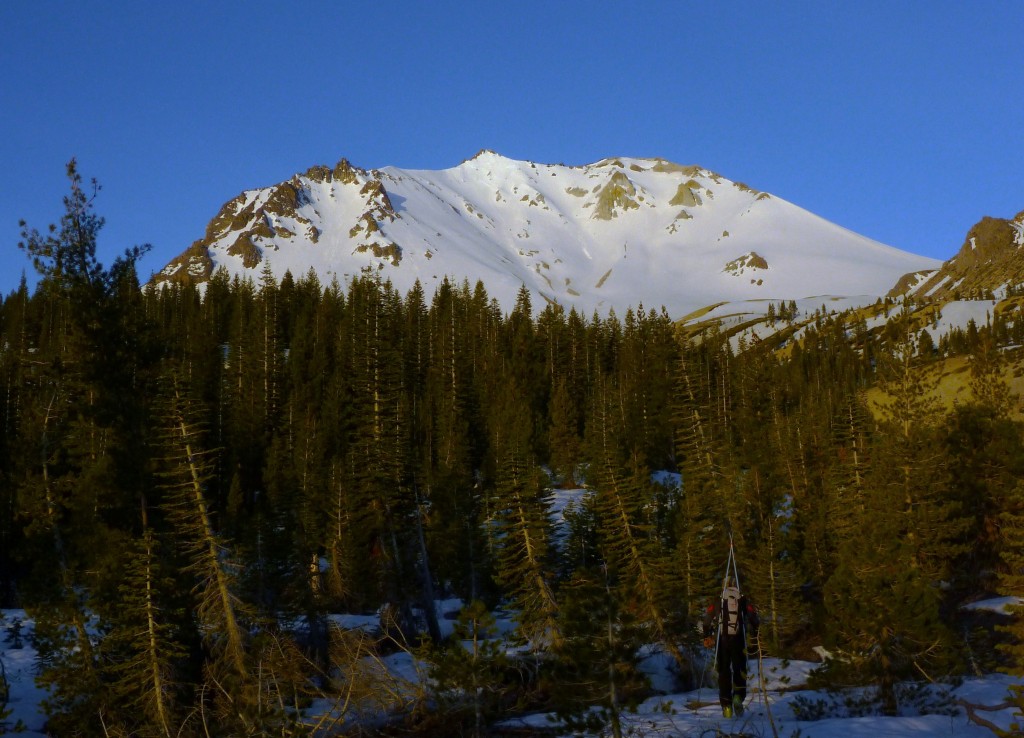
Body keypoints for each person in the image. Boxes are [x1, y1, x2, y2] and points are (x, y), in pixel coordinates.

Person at [703, 578, 758, 718]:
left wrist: (706, 636)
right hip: (738, 639)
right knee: (740, 670)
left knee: (724, 672)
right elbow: (754, 619)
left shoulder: (718, 600)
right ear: (736, 586)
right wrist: (754, 634)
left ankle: (726, 706)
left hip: (722, 640)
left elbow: (706, 621)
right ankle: (738, 697)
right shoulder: (742, 600)